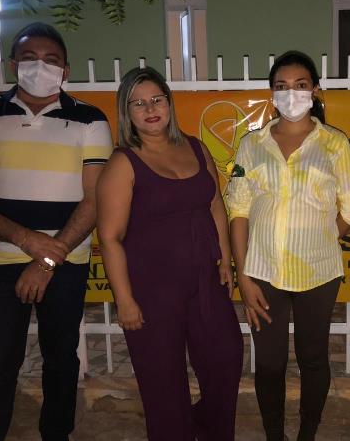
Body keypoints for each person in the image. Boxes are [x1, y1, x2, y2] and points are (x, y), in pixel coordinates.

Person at [0, 22, 113, 441]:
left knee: (61, 361)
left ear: (66, 70)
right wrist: (26, 240)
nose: (40, 66)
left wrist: (45, 260)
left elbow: (96, 200)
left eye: (51, 60)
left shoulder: (90, 120)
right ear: (13, 65)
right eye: (29, 58)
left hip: (65, 262)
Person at [227, 50, 350, 441]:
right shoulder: (252, 145)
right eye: (282, 86)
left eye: (301, 85)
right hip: (263, 272)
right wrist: (244, 276)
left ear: (315, 90)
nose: (291, 94)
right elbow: (238, 210)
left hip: (318, 273)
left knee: (312, 358)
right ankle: (274, 434)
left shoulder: (334, 144)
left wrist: (322, 237)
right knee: (269, 364)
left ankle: (307, 433)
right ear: (271, 93)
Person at [96, 66, 243, 441]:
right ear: (126, 112)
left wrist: (225, 259)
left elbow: (215, 204)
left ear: (169, 103)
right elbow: (110, 237)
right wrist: (124, 300)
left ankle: (208, 430)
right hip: (151, 291)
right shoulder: (123, 163)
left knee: (226, 360)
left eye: (156, 99)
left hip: (204, 281)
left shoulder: (195, 147)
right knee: (163, 385)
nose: (150, 109)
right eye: (138, 103)